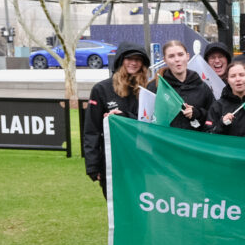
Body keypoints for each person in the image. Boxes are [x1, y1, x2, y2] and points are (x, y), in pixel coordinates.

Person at [84, 42, 150, 198]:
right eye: (129, 58)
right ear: (121, 60)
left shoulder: (148, 89)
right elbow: (91, 130)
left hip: (140, 162)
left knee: (139, 206)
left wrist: (124, 118)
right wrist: (93, 165)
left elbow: (151, 124)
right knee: (115, 206)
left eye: (138, 59)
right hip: (111, 161)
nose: (133, 63)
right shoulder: (101, 89)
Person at [146, 40, 214, 131]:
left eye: (180, 54)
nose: (177, 59)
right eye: (171, 56)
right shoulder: (155, 86)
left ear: (187, 56)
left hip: (193, 139)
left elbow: (214, 115)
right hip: (165, 139)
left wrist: (197, 113)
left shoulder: (201, 86)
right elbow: (146, 117)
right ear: (165, 60)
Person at [205, 61, 245, 138]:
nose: (238, 79)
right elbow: (208, 136)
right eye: (233, 76)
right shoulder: (218, 106)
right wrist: (222, 124)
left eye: (241, 75)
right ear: (227, 80)